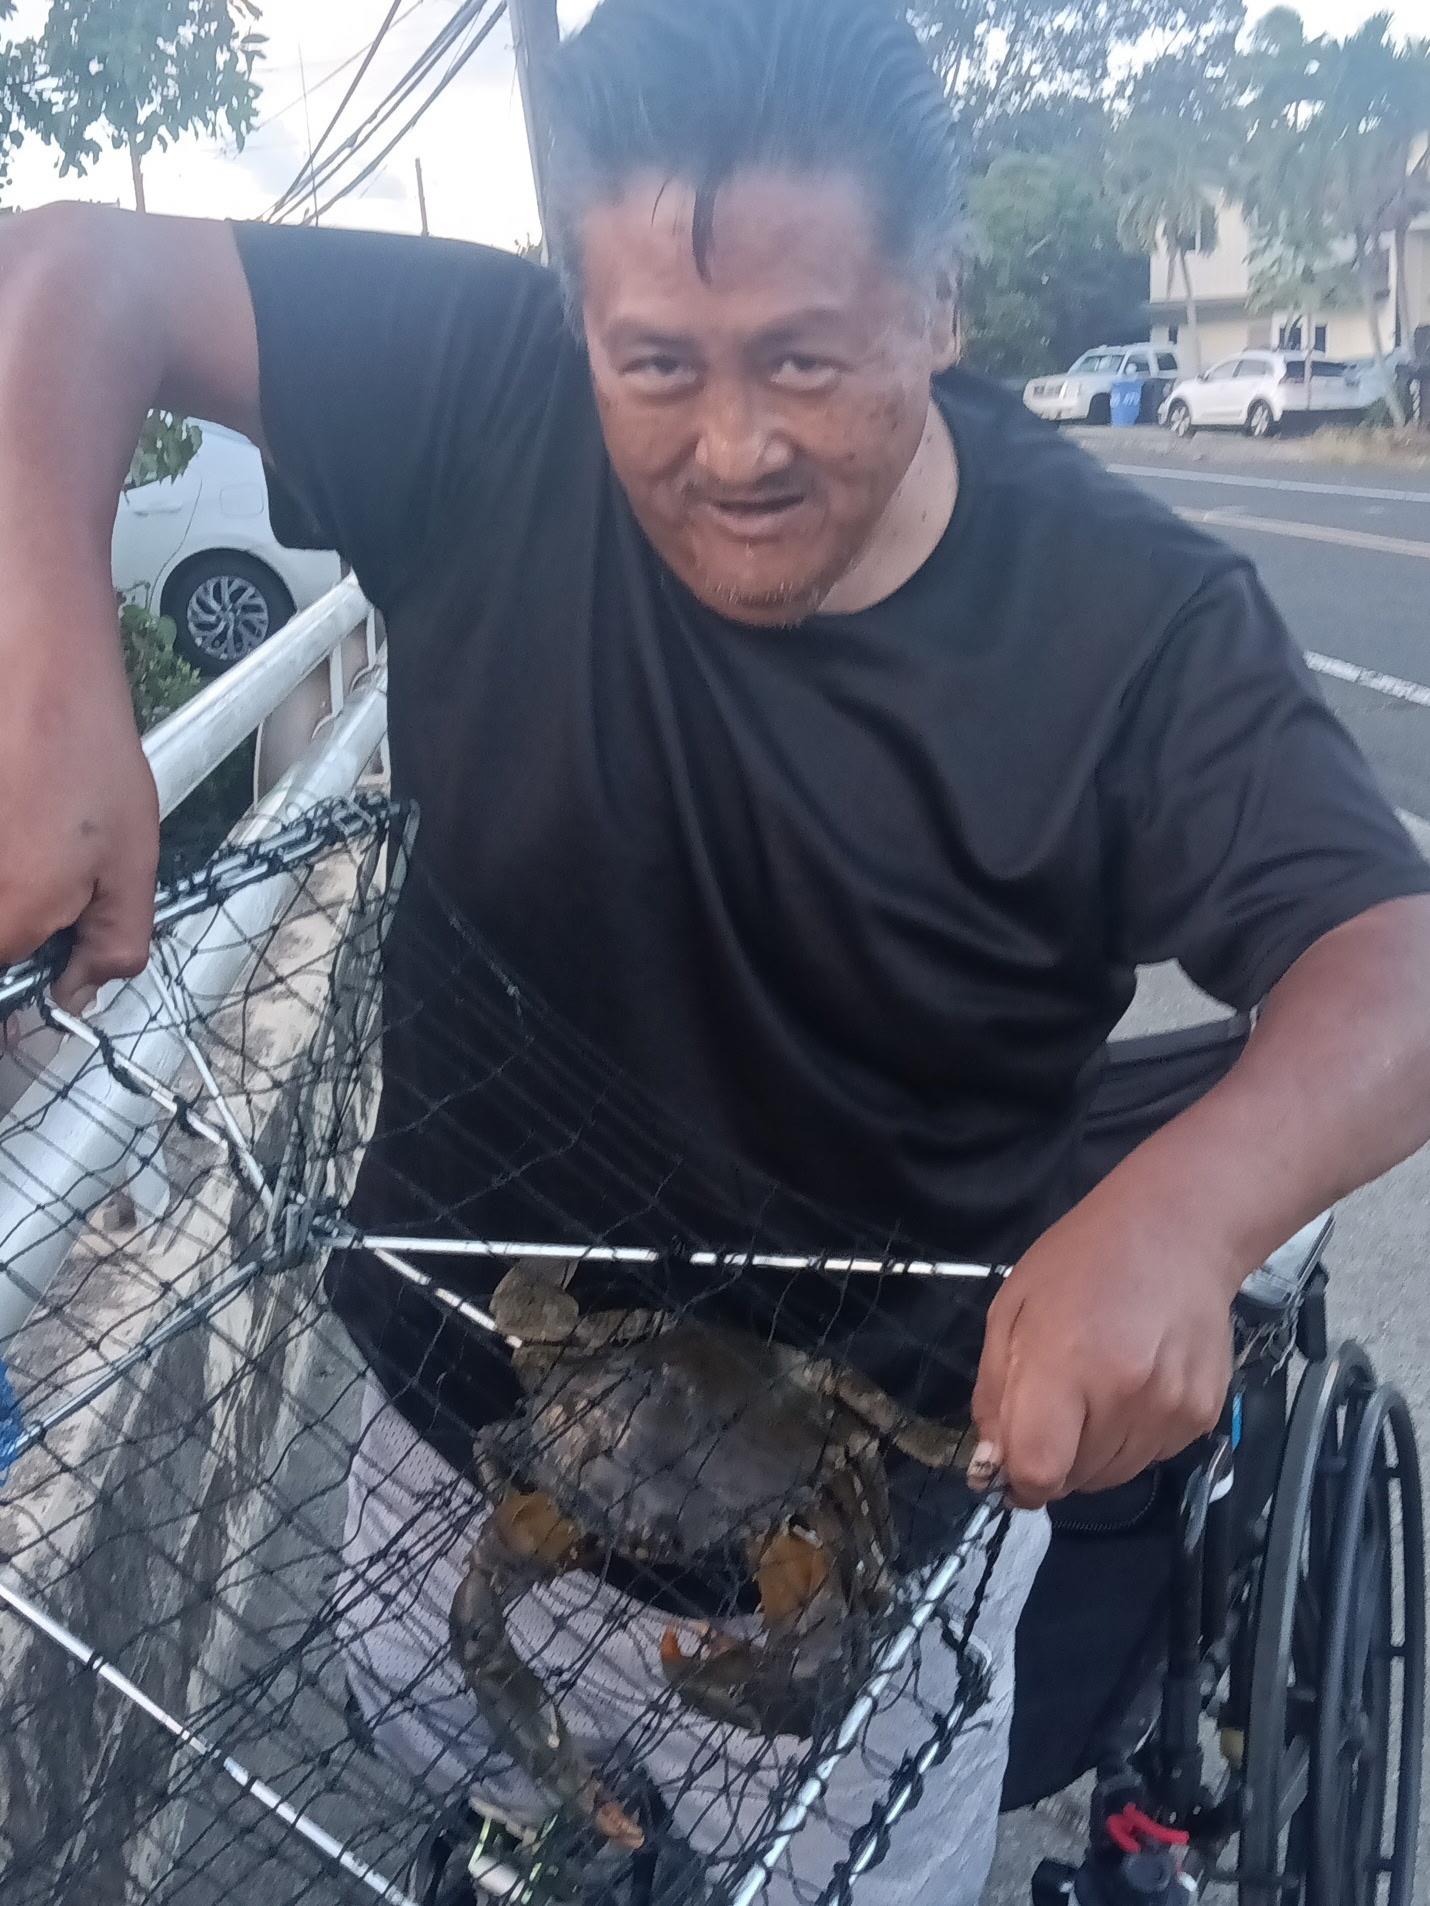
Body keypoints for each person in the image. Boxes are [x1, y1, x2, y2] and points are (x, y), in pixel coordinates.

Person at [2, 0, 1430, 1899]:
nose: (732, 443)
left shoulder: (1129, 633)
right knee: (499, 1818)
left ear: (939, 302)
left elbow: (1391, 954)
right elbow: (76, 266)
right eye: (655, 362)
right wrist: (47, 666)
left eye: (805, 360)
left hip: (859, 1564)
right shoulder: (489, 399)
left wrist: (1184, 1212)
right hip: (462, 1461)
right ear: (578, 312)